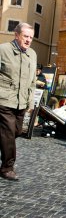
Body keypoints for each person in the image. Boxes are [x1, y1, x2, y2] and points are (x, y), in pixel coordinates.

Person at [0, 23, 37, 180]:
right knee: (8, 134)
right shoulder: (3, 50)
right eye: (25, 36)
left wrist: (30, 102)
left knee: (15, 132)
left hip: (21, 102)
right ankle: (7, 168)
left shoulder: (32, 54)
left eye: (31, 37)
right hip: (4, 101)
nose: (28, 40)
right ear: (16, 35)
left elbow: (33, 81)